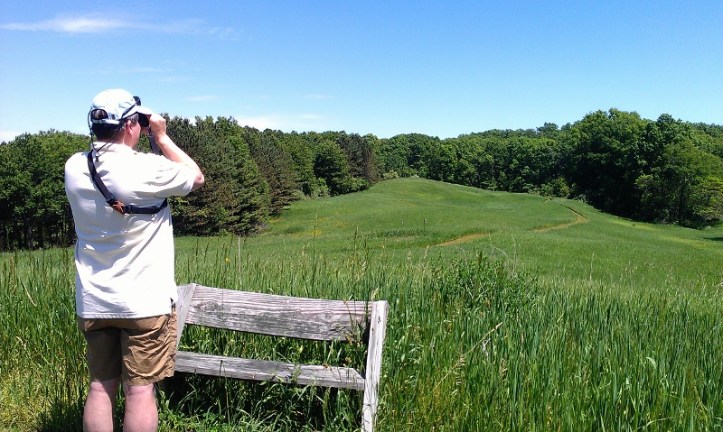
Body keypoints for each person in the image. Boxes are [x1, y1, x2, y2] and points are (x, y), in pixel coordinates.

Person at [65, 88, 205, 431]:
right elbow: (196, 176)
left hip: (94, 300)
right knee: (140, 390)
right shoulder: (146, 168)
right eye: (139, 123)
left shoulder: (74, 166)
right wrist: (161, 135)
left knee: (100, 386)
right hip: (143, 303)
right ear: (131, 125)